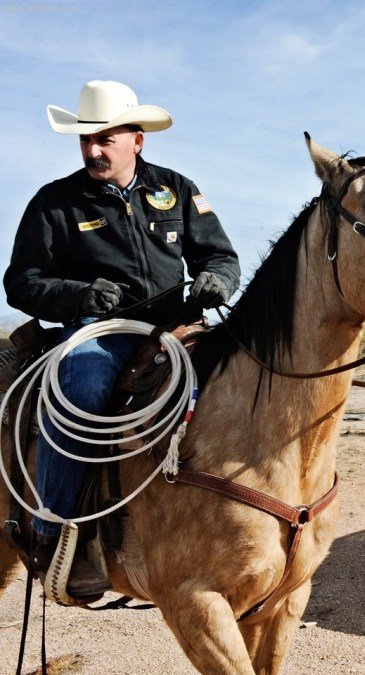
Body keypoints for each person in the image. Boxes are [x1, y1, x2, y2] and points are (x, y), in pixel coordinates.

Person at [3, 80, 241, 598]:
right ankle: (54, 533)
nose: (93, 150)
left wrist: (217, 280)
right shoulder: (55, 202)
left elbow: (220, 256)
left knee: (241, 380)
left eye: (105, 139)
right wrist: (79, 295)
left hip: (177, 328)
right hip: (100, 332)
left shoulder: (176, 189)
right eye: (85, 139)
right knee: (81, 389)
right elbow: (21, 282)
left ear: (137, 139)